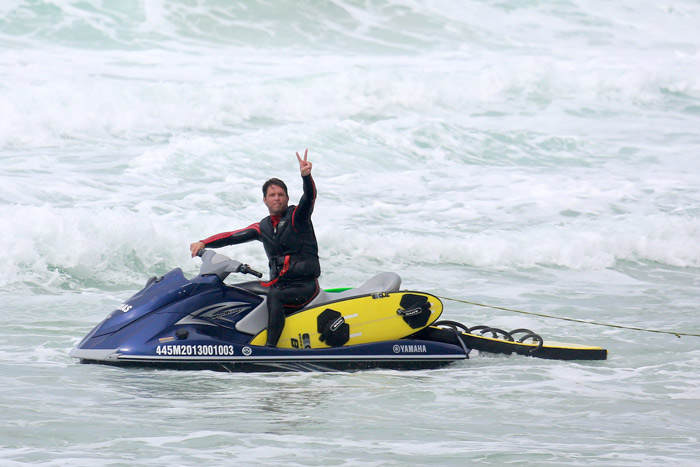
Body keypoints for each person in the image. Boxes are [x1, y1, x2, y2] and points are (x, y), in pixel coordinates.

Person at [189, 149, 321, 347]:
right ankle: (222, 335)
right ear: (265, 200)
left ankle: (270, 347)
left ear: (286, 198)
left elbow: (309, 197)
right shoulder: (263, 227)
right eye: (272, 195)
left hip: (304, 287)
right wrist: (204, 242)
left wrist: (306, 176)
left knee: (275, 296)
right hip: (278, 284)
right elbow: (232, 237)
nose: (277, 198)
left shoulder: (297, 217)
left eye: (281, 194)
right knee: (233, 291)